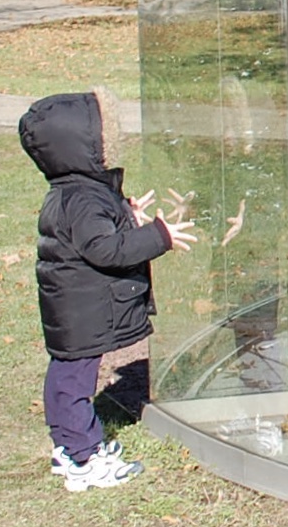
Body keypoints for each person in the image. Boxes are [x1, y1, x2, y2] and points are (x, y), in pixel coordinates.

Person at [21, 89, 197, 492]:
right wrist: (158, 236)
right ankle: (83, 458)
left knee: (69, 377)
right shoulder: (82, 197)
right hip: (81, 311)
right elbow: (106, 249)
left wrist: (126, 216)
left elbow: (92, 236)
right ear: (83, 146)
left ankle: (71, 447)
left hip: (75, 308)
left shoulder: (74, 191)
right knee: (73, 384)